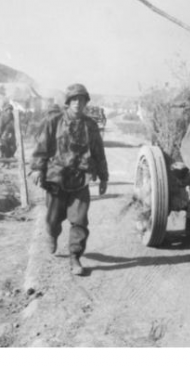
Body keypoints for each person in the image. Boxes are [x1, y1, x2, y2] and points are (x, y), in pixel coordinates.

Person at [29, 83, 109, 276]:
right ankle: (52, 234)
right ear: (68, 102)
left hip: (80, 179)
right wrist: (36, 169)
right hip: (56, 178)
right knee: (53, 219)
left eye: (81, 100)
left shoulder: (91, 126)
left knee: (79, 221)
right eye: (74, 100)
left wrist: (104, 177)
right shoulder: (54, 122)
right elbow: (42, 147)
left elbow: (99, 152)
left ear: (85, 103)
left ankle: (75, 257)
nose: (77, 104)